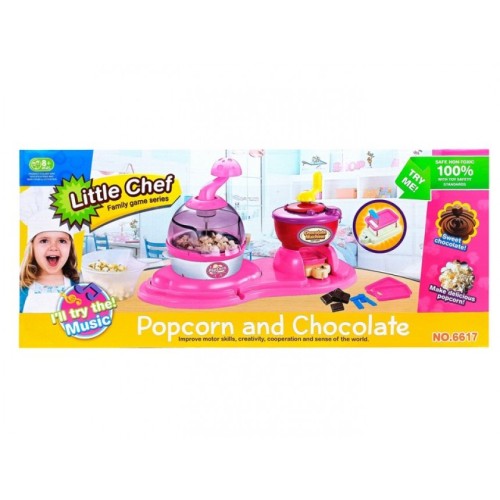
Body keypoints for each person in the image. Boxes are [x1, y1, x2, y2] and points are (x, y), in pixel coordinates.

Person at [20, 228, 80, 313]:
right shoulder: (20, 291)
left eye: (62, 241)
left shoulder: (80, 289)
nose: (53, 248)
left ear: (70, 248)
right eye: (44, 241)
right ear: (32, 247)